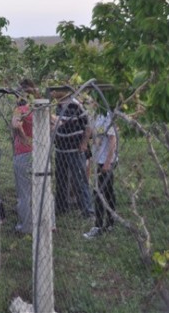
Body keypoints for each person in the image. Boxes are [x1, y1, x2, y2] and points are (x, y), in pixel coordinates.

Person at [52, 91, 94, 218]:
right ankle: (61, 207)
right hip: (60, 149)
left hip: (75, 150)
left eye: (55, 89)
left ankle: (87, 211)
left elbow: (89, 125)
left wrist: (84, 143)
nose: (53, 92)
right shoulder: (57, 106)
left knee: (79, 180)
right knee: (61, 180)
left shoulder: (76, 105)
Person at [83, 110, 118, 239]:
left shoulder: (108, 114)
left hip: (106, 161)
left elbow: (112, 139)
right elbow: (90, 131)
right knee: (107, 191)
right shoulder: (95, 113)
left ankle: (98, 226)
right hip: (99, 159)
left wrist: (108, 163)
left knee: (99, 192)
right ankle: (110, 222)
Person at [11, 79, 39, 233]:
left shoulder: (20, 109)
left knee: (24, 193)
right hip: (38, 152)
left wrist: (23, 137)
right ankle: (48, 224)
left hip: (23, 152)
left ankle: (25, 227)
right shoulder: (40, 107)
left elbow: (16, 124)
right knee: (40, 190)